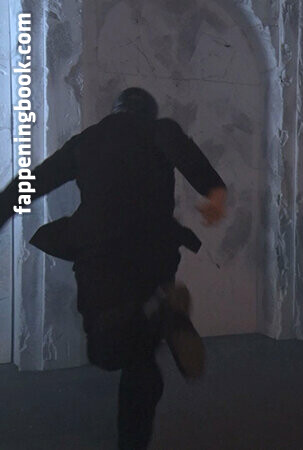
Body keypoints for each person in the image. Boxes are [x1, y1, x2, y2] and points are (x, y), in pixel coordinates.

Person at [0, 87, 227, 449]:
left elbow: (36, 180)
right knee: (140, 360)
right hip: (155, 257)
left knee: (107, 352)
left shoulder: (88, 140)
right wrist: (214, 191)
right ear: (149, 113)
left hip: (103, 258)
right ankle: (162, 312)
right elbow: (182, 150)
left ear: (116, 111)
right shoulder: (159, 129)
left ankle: (160, 312)